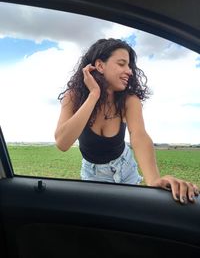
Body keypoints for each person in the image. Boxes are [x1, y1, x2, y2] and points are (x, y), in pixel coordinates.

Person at [55, 38, 199, 204]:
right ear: (100, 66)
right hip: (92, 173)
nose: (129, 71)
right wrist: (93, 95)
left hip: (126, 167)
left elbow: (139, 135)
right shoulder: (73, 97)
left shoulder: (129, 100)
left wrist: (153, 179)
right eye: (122, 64)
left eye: (129, 65)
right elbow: (62, 142)